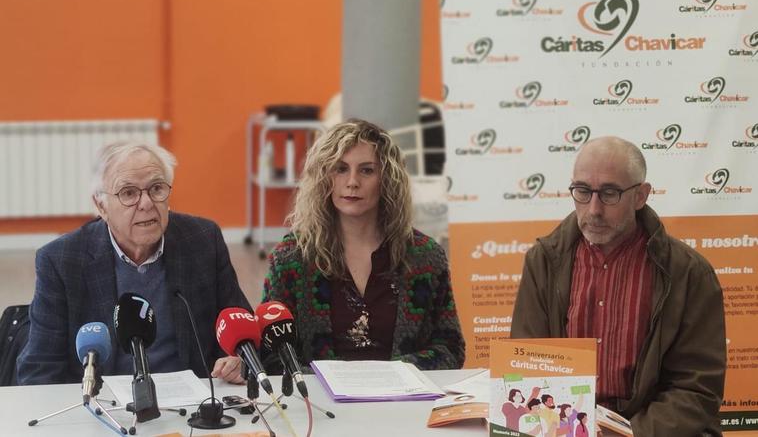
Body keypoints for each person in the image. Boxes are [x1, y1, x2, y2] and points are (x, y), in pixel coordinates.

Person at [512, 136, 726, 436]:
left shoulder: (689, 273)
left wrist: (627, 434)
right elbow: (528, 370)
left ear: (641, 195)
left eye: (610, 193)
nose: (594, 209)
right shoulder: (544, 262)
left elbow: (696, 390)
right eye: (583, 192)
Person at [17, 141, 250, 385]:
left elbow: (242, 326)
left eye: (156, 188)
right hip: (104, 407)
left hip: (194, 405)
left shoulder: (202, 240)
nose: (146, 203)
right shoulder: (61, 260)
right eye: (128, 193)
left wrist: (238, 359)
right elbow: (39, 370)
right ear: (101, 206)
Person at [261, 119, 465, 370]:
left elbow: (450, 348)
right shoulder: (291, 258)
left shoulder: (424, 256)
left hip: (404, 401)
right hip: (319, 404)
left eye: (367, 170)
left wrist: (391, 375)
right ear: (324, 177)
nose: (352, 182)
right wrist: (329, 381)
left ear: (387, 179)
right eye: (340, 169)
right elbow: (270, 353)